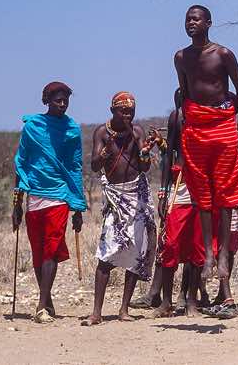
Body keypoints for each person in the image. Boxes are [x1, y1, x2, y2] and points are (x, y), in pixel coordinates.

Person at [175, 4, 238, 319]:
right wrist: (184, 124)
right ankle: (207, 253)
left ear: (208, 22)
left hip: (222, 125)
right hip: (196, 127)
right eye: (187, 18)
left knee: (226, 193)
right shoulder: (181, 57)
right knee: (202, 196)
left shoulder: (223, 54)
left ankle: (220, 257)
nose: (190, 22)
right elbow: (184, 92)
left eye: (196, 18)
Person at [81, 92, 158, 326]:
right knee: (107, 252)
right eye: (123, 111)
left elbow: (144, 167)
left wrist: (143, 149)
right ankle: (97, 312)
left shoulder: (137, 132)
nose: (127, 115)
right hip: (116, 197)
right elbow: (94, 166)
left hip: (138, 193)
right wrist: (104, 153)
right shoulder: (102, 133)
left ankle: (124, 308)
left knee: (137, 249)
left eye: (131, 111)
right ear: (112, 111)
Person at [12, 81, 86, 324]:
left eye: (66, 100)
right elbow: (21, 161)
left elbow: (75, 167)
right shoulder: (33, 127)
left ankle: (41, 305)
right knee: (38, 251)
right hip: (34, 195)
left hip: (59, 196)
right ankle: (48, 300)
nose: (62, 104)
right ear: (47, 101)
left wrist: (77, 206)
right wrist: (17, 203)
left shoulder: (72, 130)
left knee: (51, 249)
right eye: (58, 100)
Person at [153, 90, 206, 318]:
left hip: (202, 183)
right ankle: (165, 302)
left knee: (197, 246)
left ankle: (192, 300)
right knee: (171, 243)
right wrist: (164, 191)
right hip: (180, 184)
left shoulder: (209, 115)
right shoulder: (178, 117)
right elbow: (169, 154)